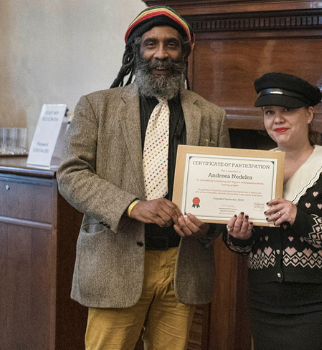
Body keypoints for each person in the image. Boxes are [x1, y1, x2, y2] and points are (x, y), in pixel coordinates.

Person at [57, 6, 230, 350]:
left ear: (184, 53)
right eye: (151, 44)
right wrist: (133, 206)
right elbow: (71, 173)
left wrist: (207, 226)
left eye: (171, 45)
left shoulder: (212, 115)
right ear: (135, 51)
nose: (161, 54)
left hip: (183, 266)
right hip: (115, 262)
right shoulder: (96, 106)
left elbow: (221, 191)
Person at [223, 72, 322, 350]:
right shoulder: (253, 166)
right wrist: (238, 236)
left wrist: (299, 218)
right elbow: (238, 245)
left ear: (309, 114)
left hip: (317, 308)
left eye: (287, 110)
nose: (277, 119)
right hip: (265, 305)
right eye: (269, 112)